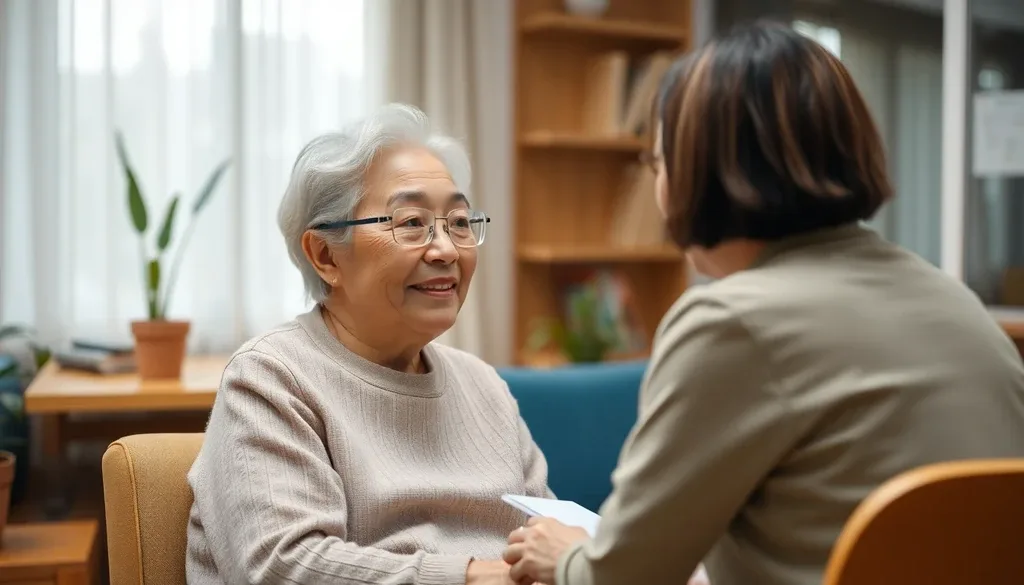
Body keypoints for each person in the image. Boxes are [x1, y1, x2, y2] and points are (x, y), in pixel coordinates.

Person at [502, 20, 1024, 585]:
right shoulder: (958, 302)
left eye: (657, 163)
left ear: (697, 171)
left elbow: (626, 577)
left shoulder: (731, 323)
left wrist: (569, 558)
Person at [186, 103, 553, 585]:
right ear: (325, 255)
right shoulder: (272, 378)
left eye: (459, 222)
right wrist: (474, 577)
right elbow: (283, 567)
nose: (445, 249)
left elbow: (547, 537)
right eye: (411, 223)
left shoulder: (484, 386)